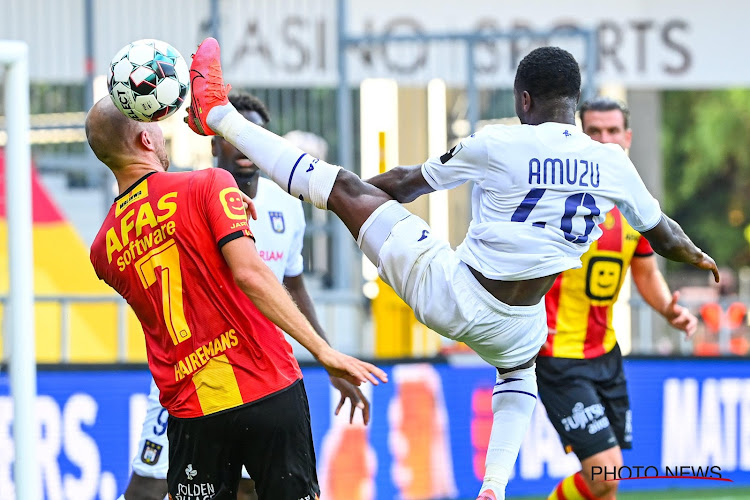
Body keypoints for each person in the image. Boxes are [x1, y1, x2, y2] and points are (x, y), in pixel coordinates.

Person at [185, 38, 719, 500]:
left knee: (343, 188)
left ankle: (215, 113)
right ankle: (494, 486)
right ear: (575, 105)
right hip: (523, 321)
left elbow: (406, 183)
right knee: (518, 374)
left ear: (523, 99)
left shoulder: (498, 142)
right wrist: (698, 256)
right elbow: (663, 233)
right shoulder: (612, 163)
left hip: (456, 294)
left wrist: (348, 196)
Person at [86, 96, 387, 500]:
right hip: (266, 384)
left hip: (192, 406)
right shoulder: (208, 184)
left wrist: (215, 206)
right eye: (156, 125)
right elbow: (249, 273)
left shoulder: (102, 248)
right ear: (145, 138)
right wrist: (324, 352)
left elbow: (175, 262)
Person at [539, 97, 698, 500]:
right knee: (607, 473)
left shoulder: (635, 204)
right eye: (595, 131)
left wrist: (668, 309)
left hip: (606, 355)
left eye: (613, 131)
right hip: (557, 355)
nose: (605, 140)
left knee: (604, 487)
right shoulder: (555, 198)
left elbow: (644, 270)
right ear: (579, 135)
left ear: (627, 137)